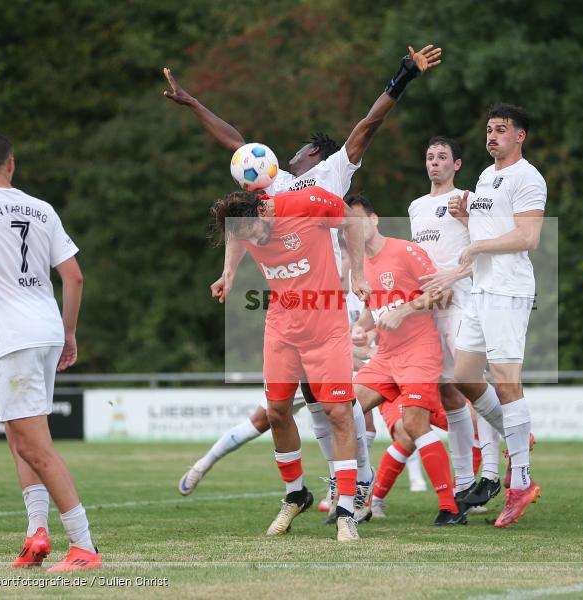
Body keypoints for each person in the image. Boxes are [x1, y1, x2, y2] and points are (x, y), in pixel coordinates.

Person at [166, 44, 441, 507]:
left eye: (298, 148)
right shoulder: (268, 184)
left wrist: (403, 76)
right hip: (295, 304)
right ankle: (342, 483)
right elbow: (234, 143)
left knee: (342, 402)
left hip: (336, 299)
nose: (287, 153)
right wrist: (193, 103)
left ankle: (360, 480)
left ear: (313, 152)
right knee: (315, 404)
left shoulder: (332, 172)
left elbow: (367, 125)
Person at [0, 133, 101, 571]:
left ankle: (84, 547)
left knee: (36, 447)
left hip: (14, 338)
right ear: (11, 164)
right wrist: (69, 333)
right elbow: (74, 276)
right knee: (21, 439)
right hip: (46, 332)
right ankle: (37, 533)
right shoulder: (42, 208)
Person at [210, 183, 367, 541]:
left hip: (326, 327)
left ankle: (346, 511)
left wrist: (357, 274)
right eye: (247, 237)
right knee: (277, 412)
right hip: (282, 329)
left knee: (338, 413)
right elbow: (236, 236)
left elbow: (352, 222)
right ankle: (296, 495)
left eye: (255, 233)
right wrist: (228, 274)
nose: (256, 242)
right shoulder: (244, 226)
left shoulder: (307, 202)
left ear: (262, 210)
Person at [433, 104, 546, 528]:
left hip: (508, 288)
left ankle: (521, 483)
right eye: (489, 130)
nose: (492, 136)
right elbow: (487, 228)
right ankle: (518, 437)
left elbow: (528, 236)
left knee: (506, 382)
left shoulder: (528, 177)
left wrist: (478, 245)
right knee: (463, 376)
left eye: (501, 129)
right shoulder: (484, 177)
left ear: (520, 136)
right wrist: (468, 218)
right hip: (481, 289)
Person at [347, 194, 465, 525]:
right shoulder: (360, 268)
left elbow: (444, 293)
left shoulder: (405, 251)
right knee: (344, 410)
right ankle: (357, 495)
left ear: (373, 220)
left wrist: (405, 310)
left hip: (419, 352)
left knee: (414, 424)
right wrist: (360, 329)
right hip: (385, 357)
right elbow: (373, 311)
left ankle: (450, 507)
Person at [408, 136, 502, 509]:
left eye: (442, 156)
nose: (434, 162)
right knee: (449, 395)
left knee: (473, 385)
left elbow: (484, 253)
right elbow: (418, 261)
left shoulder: (466, 199)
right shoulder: (416, 207)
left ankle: (491, 472)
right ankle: (464, 484)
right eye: (430, 156)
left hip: (462, 304)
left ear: (456, 164)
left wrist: (453, 277)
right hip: (429, 312)